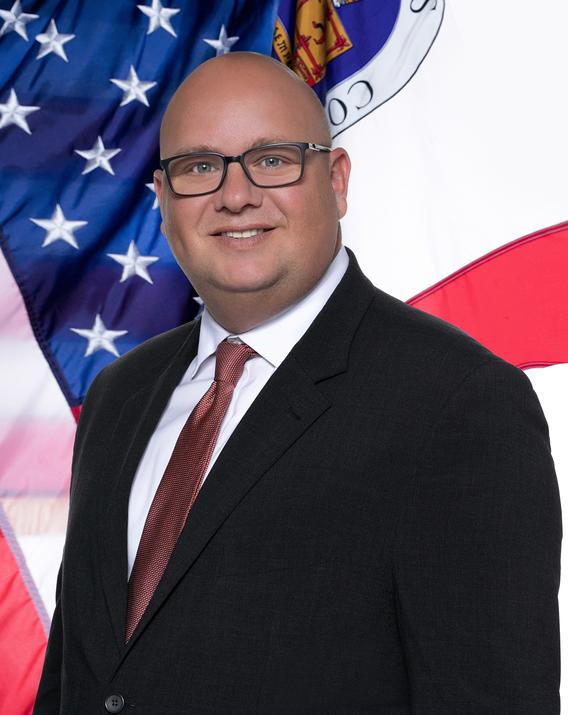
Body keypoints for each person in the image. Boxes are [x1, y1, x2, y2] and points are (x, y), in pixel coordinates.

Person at [34, 52, 561, 714]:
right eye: (199, 167)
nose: (235, 195)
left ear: (336, 181)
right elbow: (77, 679)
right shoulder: (120, 394)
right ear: (163, 201)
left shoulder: (458, 404)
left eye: (273, 159)